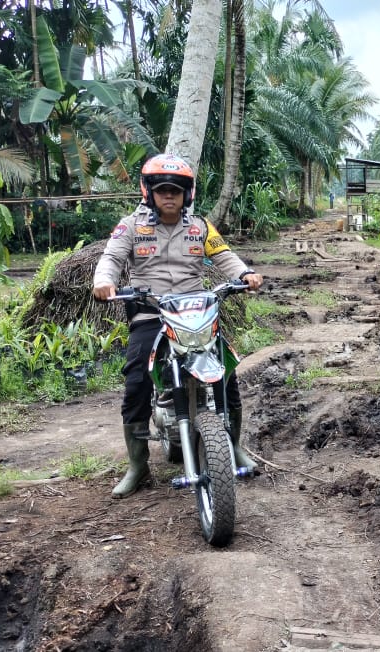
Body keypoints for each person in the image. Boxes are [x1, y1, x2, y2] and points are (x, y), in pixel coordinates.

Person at [92, 153, 264, 499]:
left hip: (195, 311)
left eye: (176, 190)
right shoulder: (131, 226)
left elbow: (224, 255)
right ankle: (138, 466)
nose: (169, 196)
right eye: (162, 190)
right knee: (137, 379)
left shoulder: (199, 227)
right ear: (149, 192)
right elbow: (111, 258)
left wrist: (244, 274)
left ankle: (232, 445)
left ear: (188, 193)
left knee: (226, 373)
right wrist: (104, 280)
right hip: (151, 311)